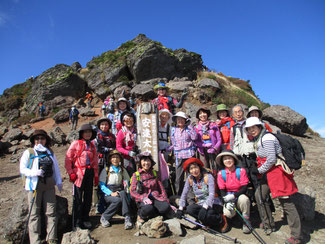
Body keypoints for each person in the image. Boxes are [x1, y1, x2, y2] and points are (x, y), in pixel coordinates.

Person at [244, 117, 302, 243]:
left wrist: (259, 170)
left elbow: (271, 158)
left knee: (286, 203)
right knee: (260, 195)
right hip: (269, 173)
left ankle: (297, 236)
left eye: (253, 128)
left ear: (259, 127)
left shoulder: (267, 138)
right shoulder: (260, 139)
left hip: (277, 173)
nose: (251, 130)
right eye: (249, 129)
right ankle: (268, 224)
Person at [20, 130, 62, 244]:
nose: (39, 141)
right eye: (37, 138)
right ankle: (35, 240)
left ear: (46, 140)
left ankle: (52, 238)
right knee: (34, 214)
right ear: (33, 140)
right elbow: (22, 169)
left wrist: (59, 182)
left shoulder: (49, 152)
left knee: (51, 212)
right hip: (34, 185)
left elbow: (56, 169)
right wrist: (35, 172)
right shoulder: (29, 152)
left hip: (48, 184)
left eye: (42, 138)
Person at [176, 158, 228, 233]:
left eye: (195, 167)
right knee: (190, 209)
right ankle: (208, 222)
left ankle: (221, 220)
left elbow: (212, 194)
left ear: (199, 167)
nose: (194, 170)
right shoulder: (189, 178)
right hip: (200, 202)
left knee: (208, 214)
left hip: (213, 203)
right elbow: (184, 193)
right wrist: (180, 208)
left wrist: (205, 207)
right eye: (191, 169)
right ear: (189, 171)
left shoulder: (208, 176)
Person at [65, 124, 99, 229]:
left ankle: (86, 218)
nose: (88, 134)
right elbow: (68, 159)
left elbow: (95, 162)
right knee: (78, 198)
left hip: (89, 172)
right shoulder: (76, 144)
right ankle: (77, 222)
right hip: (79, 174)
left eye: (90, 132)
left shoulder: (92, 145)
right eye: (86, 132)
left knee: (88, 197)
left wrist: (96, 176)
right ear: (82, 134)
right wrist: (71, 172)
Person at [130, 152, 174, 224]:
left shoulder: (154, 173)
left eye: (148, 160)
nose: (146, 163)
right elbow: (132, 191)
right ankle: (140, 215)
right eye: (144, 160)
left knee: (165, 207)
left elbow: (161, 188)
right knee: (148, 208)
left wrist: (166, 200)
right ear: (140, 162)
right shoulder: (136, 175)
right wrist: (142, 198)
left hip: (155, 196)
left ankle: (153, 214)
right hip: (143, 199)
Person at [216, 149, 251, 234]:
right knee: (228, 213)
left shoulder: (241, 171)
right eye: (225, 159)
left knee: (244, 199)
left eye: (229, 158)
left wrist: (234, 196)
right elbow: (222, 189)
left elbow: (244, 188)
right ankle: (232, 218)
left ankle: (246, 221)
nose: (227, 161)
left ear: (234, 159)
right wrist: (226, 200)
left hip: (239, 194)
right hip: (228, 196)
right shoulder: (221, 173)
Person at [99, 150, 133, 229]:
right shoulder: (106, 170)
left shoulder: (122, 170)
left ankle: (127, 217)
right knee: (117, 200)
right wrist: (111, 193)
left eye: (117, 157)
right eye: (113, 157)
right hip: (108, 192)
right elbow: (102, 185)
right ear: (110, 159)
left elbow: (127, 182)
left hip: (120, 190)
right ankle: (105, 217)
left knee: (123, 194)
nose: (115, 159)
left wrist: (129, 193)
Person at [169, 111, 198, 195]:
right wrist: (168, 148)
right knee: (178, 177)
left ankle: (193, 194)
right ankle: (179, 195)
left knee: (192, 175)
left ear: (186, 120)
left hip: (189, 154)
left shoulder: (189, 128)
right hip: (179, 155)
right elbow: (173, 143)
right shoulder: (174, 130)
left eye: (182, 119)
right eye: (178, 119)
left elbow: (194, 137)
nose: (180, 121)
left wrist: (190, 126)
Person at [93, 118, 116, 213]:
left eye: (106, 124)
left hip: (110, 160)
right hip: (99, 161)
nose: (104, 126)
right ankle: (97, 202)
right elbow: (96, 148)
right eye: (102, 124)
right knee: (97, 181)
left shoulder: (112, 136)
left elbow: (115, 147)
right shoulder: (96, 136)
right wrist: (108, 149)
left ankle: (107, 201)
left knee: (108, 180)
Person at [116, 111, 137, 176]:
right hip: (126, 157)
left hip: (137, 155)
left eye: (131, 120)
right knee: (129, 173)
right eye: (126, 120)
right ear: (123, 122)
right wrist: (128, 152)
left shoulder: (137, 131)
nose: (129, 122)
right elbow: (118, 147)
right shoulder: (121, 132)